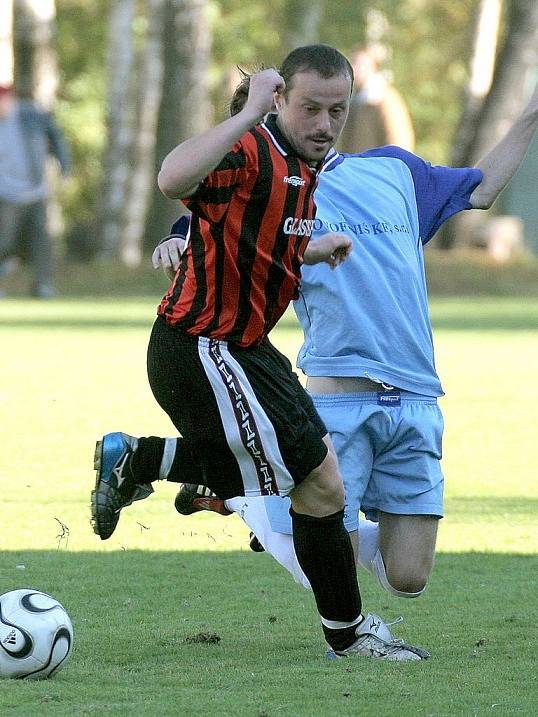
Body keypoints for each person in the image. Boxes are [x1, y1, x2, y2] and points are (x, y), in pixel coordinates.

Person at [95, 62, 538, 655]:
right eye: (311, 108)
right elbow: (191, 198)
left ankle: (213, 485)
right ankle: (335, 616)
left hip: (382, 384)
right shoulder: (261, 169)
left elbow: (478, 188)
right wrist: (179, 236)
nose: (326, 122)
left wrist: (531, 112)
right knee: (316, 515)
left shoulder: (376, 173)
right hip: (289, 373)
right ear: (280, 103)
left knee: (397, 568)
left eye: (338, 109)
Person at [0, 84, 70, 298]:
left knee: (41, 243)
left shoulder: (31, 115)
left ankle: (43, 286)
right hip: (6, 194)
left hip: (36, 191)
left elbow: (56, 136)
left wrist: (64, 167)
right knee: (4, 241)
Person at [338, 44, 415, 153]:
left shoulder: (385, 99)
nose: (354, 68)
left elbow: (399, 142)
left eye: (359, 64)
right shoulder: (354, 101)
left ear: (372, 66)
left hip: (378, 167)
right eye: (352, 63)